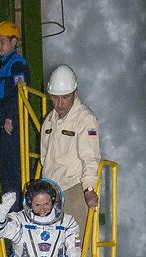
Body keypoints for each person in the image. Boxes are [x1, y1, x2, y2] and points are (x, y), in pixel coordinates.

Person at [36, 64, 101, 234]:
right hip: (52, 192)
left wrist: (89, 189)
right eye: (55, 97)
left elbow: (90, 157)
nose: (60, 103)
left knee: (78, 249)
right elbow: (44, 158)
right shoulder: (49, 121)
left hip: (76, 190)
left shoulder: (85, 119)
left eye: (65, 97)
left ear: (75, 94)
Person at [0, 20, 30, 199]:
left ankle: (16, 207)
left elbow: (19, 93)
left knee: (13, 168)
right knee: (5, 168)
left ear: (13, 42)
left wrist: (11, 117)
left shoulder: (17, 64)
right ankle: (10, 207)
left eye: (2, 42)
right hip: (5, 125)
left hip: (15, 125)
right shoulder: (4, 65)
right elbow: (0, 98)